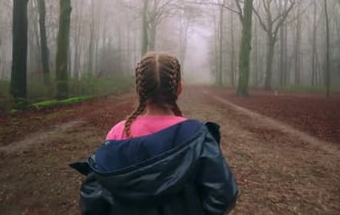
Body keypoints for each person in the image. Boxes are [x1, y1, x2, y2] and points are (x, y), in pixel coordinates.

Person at [70, 51, 238, 215]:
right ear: (179, 88)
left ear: (139, 89)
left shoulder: (117, 132)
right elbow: (222, 196)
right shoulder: (197, 135)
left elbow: (95, 199)